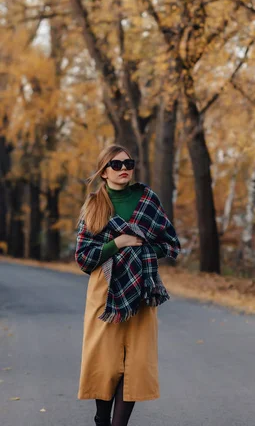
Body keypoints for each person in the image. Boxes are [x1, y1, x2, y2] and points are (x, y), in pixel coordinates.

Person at [75, 144, 181, 426]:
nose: (124, 169)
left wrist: (142, 253)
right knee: (106, 361)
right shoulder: (94, 205)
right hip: (104, 290)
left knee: (135, 363)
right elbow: (84, 258)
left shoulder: (147, 199)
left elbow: (170, 243)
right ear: (104, 172)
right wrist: (117, 243)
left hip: (143, 287)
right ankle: (101, 418)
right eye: (116, 165)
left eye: (128, 164)